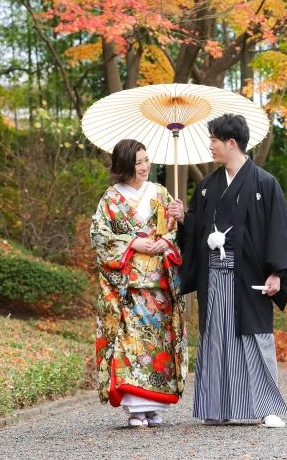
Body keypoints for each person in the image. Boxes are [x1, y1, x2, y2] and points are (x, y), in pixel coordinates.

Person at [167, 113, 287, 428]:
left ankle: (267, 407)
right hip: (214, 273)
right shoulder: (209, 186)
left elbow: (279, 231)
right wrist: (185, 217)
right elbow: (199, 227)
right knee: (216, 337)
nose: (209, 146)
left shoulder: (265, 183)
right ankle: (217, 406)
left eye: (213, 139)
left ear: (231, 143)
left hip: (249, 274)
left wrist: (277, 272)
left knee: (253, 337)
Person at [90, 139, 188, 428]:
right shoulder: (110, 199)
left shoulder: (160, 193)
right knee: (131, 343)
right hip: (128, 288)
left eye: (147, 160)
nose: (145, 167)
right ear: (124, 166)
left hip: (159, 284)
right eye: (138, 162)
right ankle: (136, 409)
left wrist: (171, 232)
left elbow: (174, 234)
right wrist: (134, 242)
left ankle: (156, 405)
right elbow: (99, 236)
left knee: (159, 343)